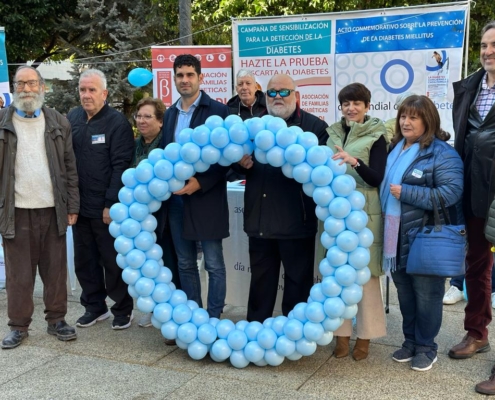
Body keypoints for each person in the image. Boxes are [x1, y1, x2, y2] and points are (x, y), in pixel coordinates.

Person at [380, 95, 463, 372]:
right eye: (403, 116)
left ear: (428, 121)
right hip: (396, 234)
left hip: (425, 237)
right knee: (404, 292)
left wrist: (407, 193)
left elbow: (451, 193)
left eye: (413, 117)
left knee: (427, 294)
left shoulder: (442, 153)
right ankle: (411, 340)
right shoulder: (396, 148)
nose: (406, 122)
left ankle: (427, 346)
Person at [238, 74, 328, 322]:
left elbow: (322, 174)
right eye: (271, 92)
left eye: (283, 92)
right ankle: (256, 334)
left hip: (296, 223)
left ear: (296, 96)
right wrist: (240, 164)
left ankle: (295, 335)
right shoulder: (252, 126)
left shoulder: (314, 128)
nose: (277, 97)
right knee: (260, 285)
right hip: (259, 221)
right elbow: (230, 165)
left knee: (298, 285)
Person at [0, 66, 79, 349]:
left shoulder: (58, 122)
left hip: (52, 209)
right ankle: (18, 326)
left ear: (42, 87)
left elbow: (70, 167)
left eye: (32, 83)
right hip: (16, 210)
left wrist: (72, 204)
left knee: (55, 270)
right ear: (14, 89)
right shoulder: (2, 123)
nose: (27, 89)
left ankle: (57, 320)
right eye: (21, 84)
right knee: (18, 274)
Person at [160, 54, 230, 331]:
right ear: (174, 79)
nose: (185, 80)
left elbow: (226, 160)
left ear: (201, 78)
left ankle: (213, 320)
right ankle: (192, 319)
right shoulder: (170, 114)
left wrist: (201, 183)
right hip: (177, 200)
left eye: (190, 74)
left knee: (213, 263)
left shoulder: (218, 112)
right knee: (185, 262)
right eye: (180, 75)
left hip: (206, 198)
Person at [67, 69, 135, 330]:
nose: (86, 95)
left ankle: (121, 309)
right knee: (84, 261)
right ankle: (94, 307)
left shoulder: (116, 123)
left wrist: (110, 203)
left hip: (106, 208)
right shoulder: (72, 117)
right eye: (83, 90)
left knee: (112, 261)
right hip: (79, 207)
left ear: (104, 93)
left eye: (92, 90)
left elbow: (121, 166)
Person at [448, 20, 495, 395]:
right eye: (484, 44)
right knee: (476, 267)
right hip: (474, 196)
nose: (488, 50)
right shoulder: (469, 87)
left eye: (494, 44)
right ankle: (477, 332)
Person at [325, 83, 388, 361]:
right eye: (346, 103)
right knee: (337, 276)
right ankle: (341, 335)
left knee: (365, 279)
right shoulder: (333, 133)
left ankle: (364, 338)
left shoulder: (377, 134)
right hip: (335, 216)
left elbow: (377, 178)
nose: (351, 108)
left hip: (364, 215)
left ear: (367, 106)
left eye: (357, 103)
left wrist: (353, 161)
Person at [128, 97, 180, 328]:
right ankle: (154, 307)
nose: (141, 121)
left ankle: (170, 309)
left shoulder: (166, 147)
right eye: (139, 116)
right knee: (147, 264)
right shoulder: (135, 145)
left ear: (161, 122)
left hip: (164, 216)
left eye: (148, 116)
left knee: (168, 262)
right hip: (139, 219)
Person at [226, 69, 267, 181]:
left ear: (256, 87)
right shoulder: (228, 111)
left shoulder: (268, 108)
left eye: (248, 83)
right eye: (240, 84)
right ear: (236, 89)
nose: (244, 87)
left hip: (266, 169)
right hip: (238, 173)